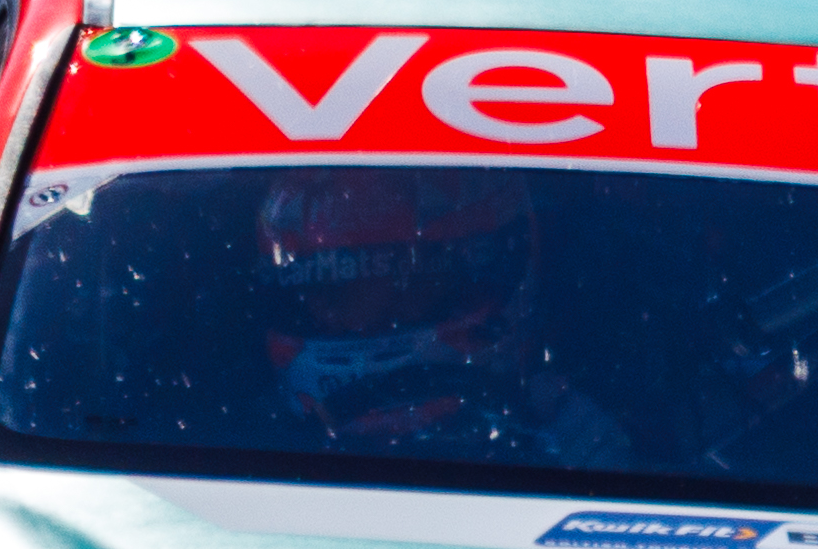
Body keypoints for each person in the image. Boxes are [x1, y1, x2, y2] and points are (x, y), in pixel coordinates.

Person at [252, 171, 634, 465]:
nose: (371, 319)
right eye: (334, 294)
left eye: (412, 286)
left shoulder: (571, 434)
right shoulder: (243, 443)